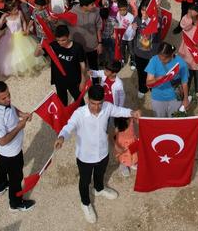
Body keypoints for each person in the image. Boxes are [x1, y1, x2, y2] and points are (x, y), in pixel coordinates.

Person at [54, 85, 140, 223]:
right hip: (85, 156)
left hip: (102, 152)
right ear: (88, 100)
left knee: (100, 173)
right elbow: (68, 126)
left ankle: (99, 189)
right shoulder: (79, 113)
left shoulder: (107, 106)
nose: (97, 107)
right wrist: (62, 137)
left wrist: (132, 112)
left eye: (100, 103)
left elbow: (119, 111)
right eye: (93, 103)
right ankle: (85, 203)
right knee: (85, 180)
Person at [0, 81, 36, 212]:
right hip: (11, 152)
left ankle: (1, 186)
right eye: (4, 98)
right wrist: (19, 127)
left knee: (2, 165)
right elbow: (2, 141)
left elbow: (11, 107)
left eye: (9, 95)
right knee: (16, 178)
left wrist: (22, 114)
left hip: (4, 153)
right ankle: (15, 203)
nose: (8, 99)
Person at [0, 1, 46, 78]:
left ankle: (30, 65)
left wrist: (25, 29)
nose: (17, 10)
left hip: (21, 33)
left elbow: (24, 21)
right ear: (9, 11)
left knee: (27, 50)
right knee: (14, 54)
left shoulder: (20, 13)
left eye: (16, 8)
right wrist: (2, 17)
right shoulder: (6, 17)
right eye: (14, 10)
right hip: (12, 37)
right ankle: (20, 68)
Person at [37, 24, 88, 105]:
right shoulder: (53, 45)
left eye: (63, 40)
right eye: (58, 40)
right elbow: (37, 54)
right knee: (62, 101)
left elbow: (82, 64)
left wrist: (83, 80)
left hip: (74, 80)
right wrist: (38, 49)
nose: (60, 43)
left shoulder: (77, 47)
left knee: (79, 100)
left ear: (68, 36)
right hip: (59, 80)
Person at [145, 41, 190, 117]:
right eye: (160, 58)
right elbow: (148, 83)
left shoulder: (181, 63)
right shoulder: (154, 60)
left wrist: (185, 99)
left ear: (172, 55)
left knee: (173, 121)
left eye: (165, 59)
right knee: (159, 122)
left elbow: (184, 83)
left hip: (175, 98)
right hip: (157, 98)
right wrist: (157, 79)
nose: (162, 61)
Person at [72, 0, 104, 70]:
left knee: (94, 66)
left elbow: (98, 28)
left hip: (93, 46)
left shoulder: (96, 11)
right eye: (92, 4)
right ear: (84, 6)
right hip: (79, 47)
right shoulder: (72, 12)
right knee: (82, 67)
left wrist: (100, 43)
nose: (95, 6)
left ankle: (95, 82)